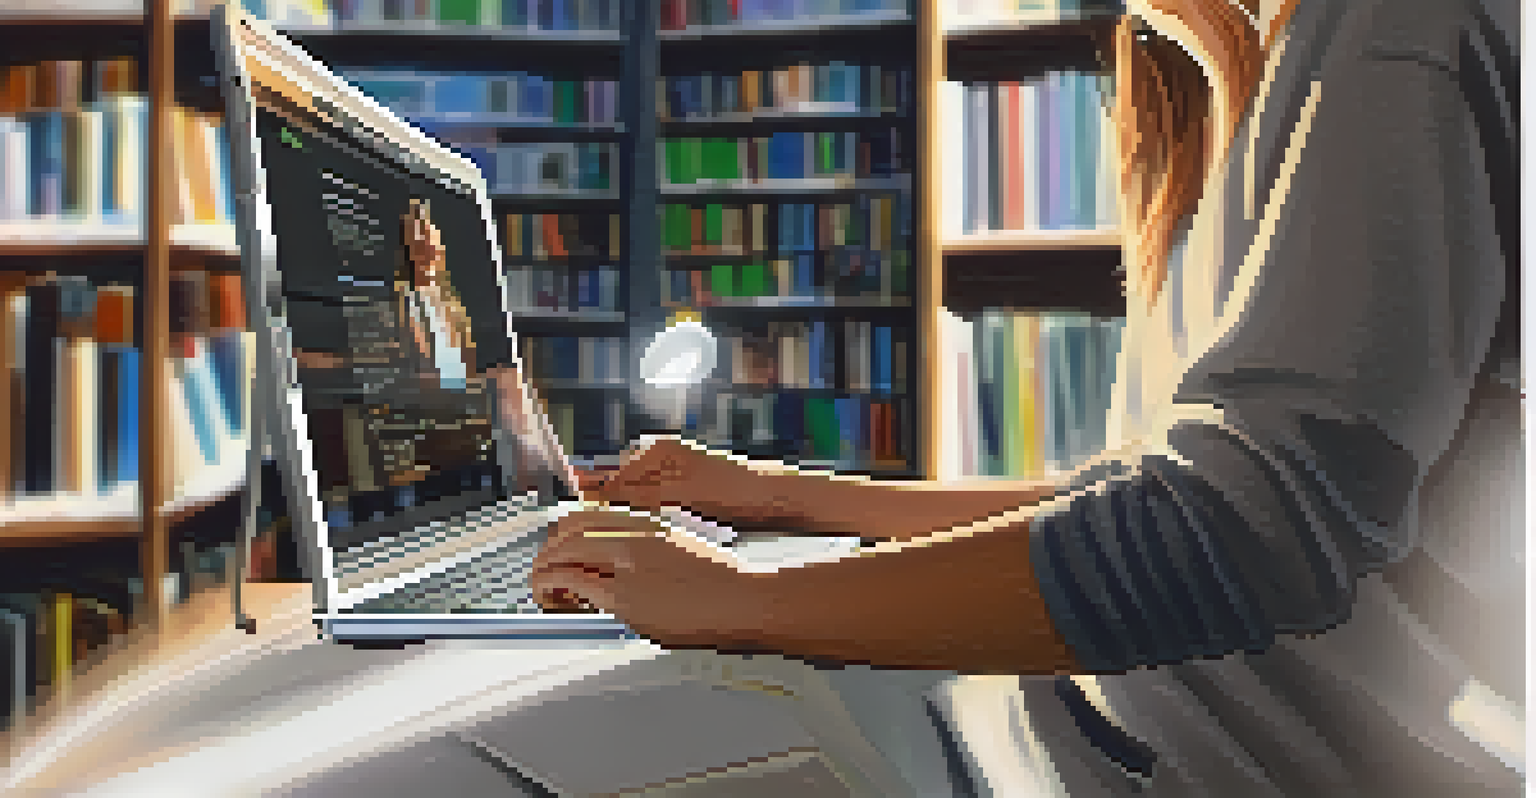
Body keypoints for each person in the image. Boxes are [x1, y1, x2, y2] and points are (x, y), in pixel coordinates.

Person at [531, 0, 1522, 794]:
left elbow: (1230, 533)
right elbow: (1140, 492)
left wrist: (743, 600)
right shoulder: (1225, 87)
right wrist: (787, 497)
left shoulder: (1396, 34)